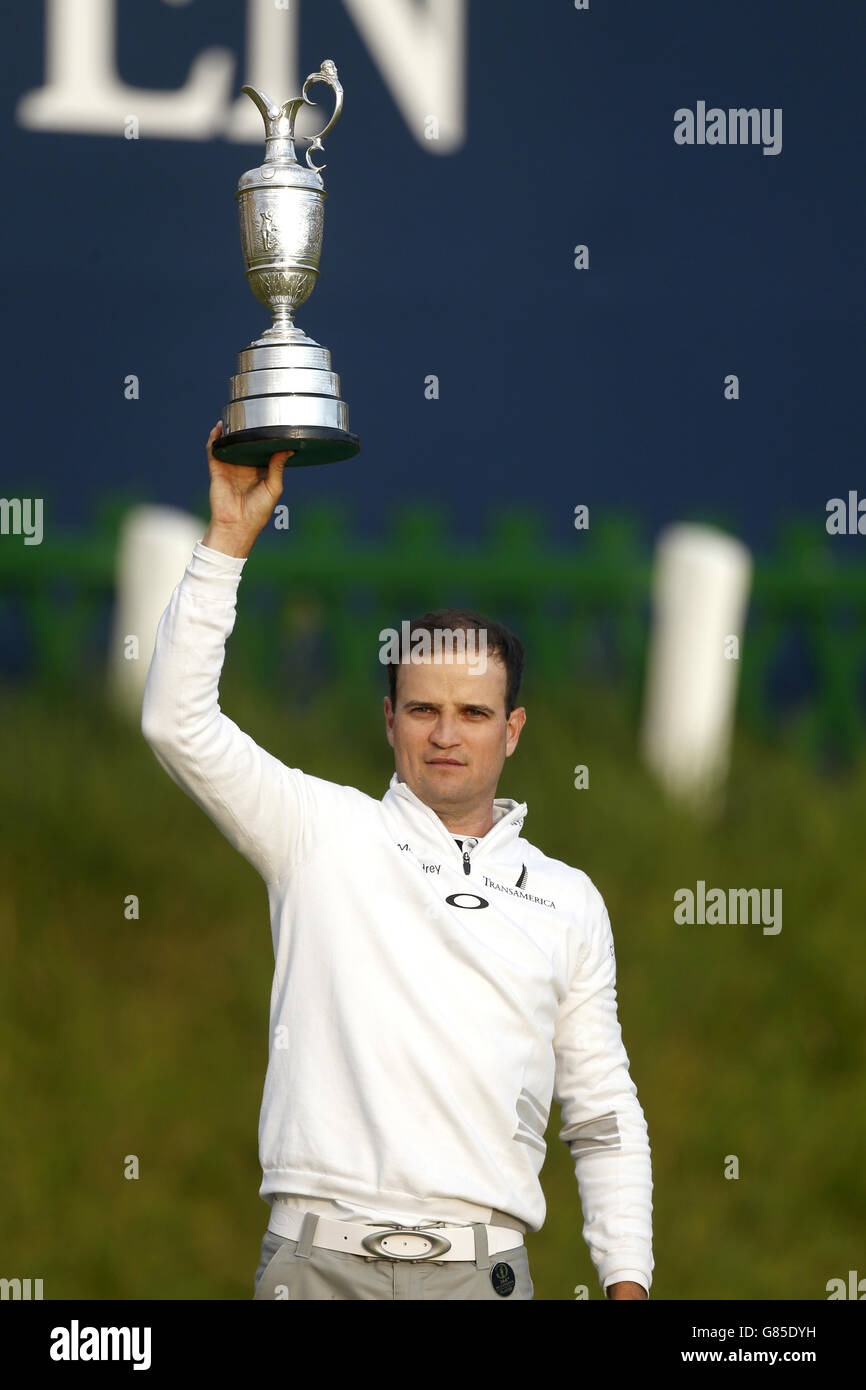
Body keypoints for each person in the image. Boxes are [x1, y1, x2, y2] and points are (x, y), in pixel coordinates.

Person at [141, 422, 654, 1301]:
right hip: (314, 1262)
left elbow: (602, 1113)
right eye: (422, 709)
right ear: (389, 722)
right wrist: (227, 539)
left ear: (514, 729)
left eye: (473, 712)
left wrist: (629, 1282)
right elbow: (175, 723)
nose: (446, 734)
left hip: (482, 1272)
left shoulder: (569, 901)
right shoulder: (316, 830)